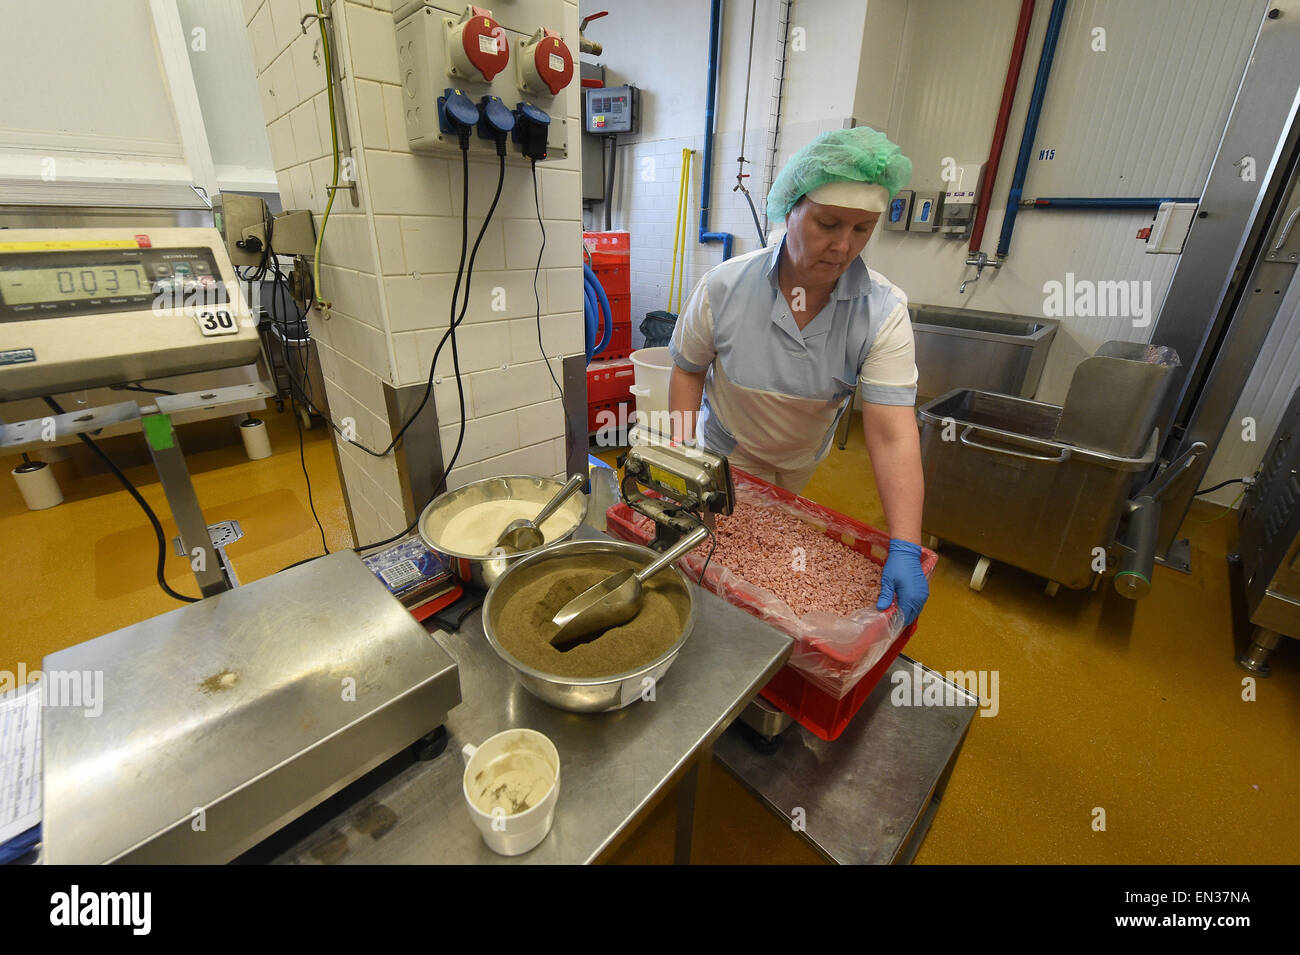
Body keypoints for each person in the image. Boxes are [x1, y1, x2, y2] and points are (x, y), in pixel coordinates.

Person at [666, 126, 929, 625]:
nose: (843, 246)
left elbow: (893, 434)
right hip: (728, 451)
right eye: (828, 223)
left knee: (770, 552)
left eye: (862, 229)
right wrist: (683, 458)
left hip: (800, 460)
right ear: (791, 208)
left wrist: (906, 544)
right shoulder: (724, 288)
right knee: (713, 561)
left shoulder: (882, 311)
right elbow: (687, 370)